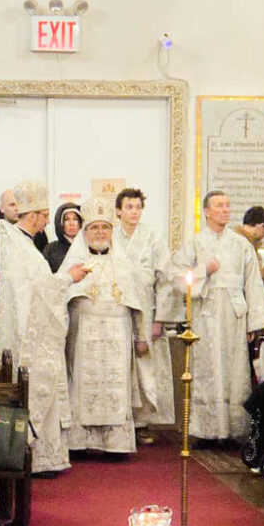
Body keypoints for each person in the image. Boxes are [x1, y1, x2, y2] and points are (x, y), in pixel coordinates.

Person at [171, 190, 264, 440]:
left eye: (228, 205)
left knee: (234, 369)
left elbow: (252, 283)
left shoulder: (241, 244)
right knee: (208, 369)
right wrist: (203, 270)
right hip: (206, 315)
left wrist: (254, 323)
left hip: (234, 316)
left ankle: (234, 430)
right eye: (219, 206)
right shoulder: (195, 243)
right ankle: (206, 431)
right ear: (207, 211)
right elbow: (176, 278)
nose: (225, 210)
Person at [0, 180, 83, 473]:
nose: (48, 220)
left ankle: (44, 457)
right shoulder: (21, 249)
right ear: (32, 215)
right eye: (45, 214)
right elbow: (41, 291)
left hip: (34, 331)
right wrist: (69, 277)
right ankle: (35, 459)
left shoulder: (21, 244)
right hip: (30, 338)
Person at [62, 198, 148, 453]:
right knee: (83, 384)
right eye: (94, 227)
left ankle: (114, 444)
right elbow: (61, 298)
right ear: (84, 232)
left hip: (118, 335)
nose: (100, 232)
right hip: (83, 334)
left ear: (112, 232)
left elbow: (137, 303)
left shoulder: (124, 264)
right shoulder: (73, 264)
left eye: (105, 227)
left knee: (115, 385)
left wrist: (141, 336)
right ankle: (82, 442)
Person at [112, 188, 176, 440]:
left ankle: (144, 423)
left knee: (147, 367)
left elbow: (165, 281)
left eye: (138, 207)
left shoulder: (153, 237)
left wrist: (160, 318)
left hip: (148, 310)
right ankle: (121, 420)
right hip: (119, 309)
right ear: (118, 210)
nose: (134, 212)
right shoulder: (111, 236)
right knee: (121, 365)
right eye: (129, 207)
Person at [43, 202, 82, 273]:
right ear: (60, 224)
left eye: (75, 219)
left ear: (81, 223)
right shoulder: (50, 249)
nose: (71, 223)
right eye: (67, 219)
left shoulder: (87, 247)